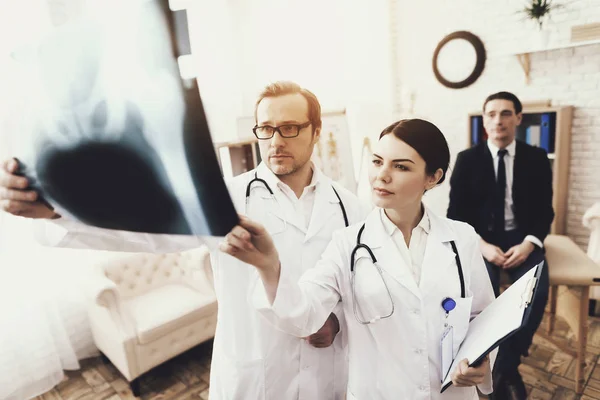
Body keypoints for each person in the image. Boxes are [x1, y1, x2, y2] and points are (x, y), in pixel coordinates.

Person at [0, 81, 365, 399]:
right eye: (266, 129)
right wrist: (56, 211)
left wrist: (334, 319)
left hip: (324, 370)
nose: (275, 141)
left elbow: (358, 289)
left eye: (289, 128)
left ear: (317, 131)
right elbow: (147, 230)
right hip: (257, 371)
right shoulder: (227, 197)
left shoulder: (350, 208)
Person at [219, 119, 496, 400]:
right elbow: (305, 314)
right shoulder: (347, 244)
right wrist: (269, 266)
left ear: (433, 177)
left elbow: (483, 317)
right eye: (377, 162)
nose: (382, 176)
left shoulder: (462, 238)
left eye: (400, 166)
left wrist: (480, 361)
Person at [447, 91, 553, 399]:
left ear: (519, 119)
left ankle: (504, 367)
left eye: (506, 113)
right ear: (484, 120)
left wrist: (529, 244)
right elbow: (455, 215)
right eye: (491, 114)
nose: (498, 120)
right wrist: (481, 245)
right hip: (483, 241)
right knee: (486, 302)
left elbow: (545, 212)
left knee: (536, 293)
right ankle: (503, 369)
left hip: (523, 240)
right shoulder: (467, 160)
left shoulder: (536, 158)